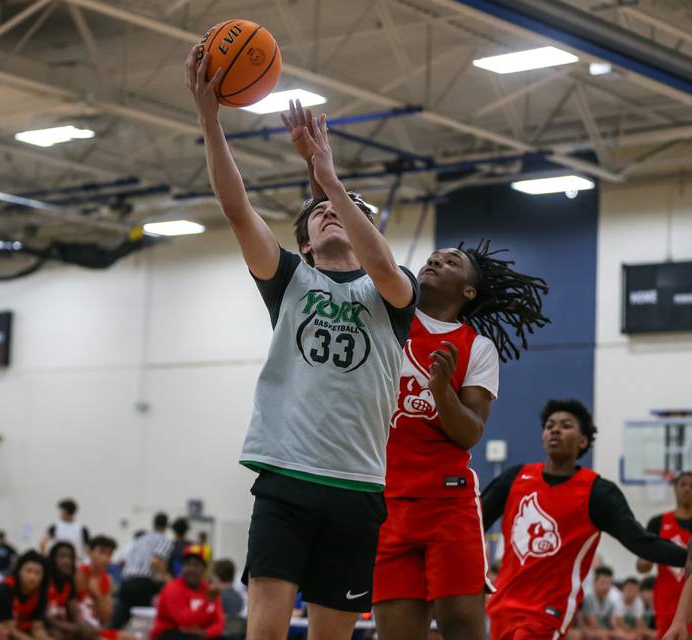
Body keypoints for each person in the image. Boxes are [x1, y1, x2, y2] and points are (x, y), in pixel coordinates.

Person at [186, 45, 418, 640]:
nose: (333, 213)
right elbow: (236, 210)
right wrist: (211, 121)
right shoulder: (291, 279)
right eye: (319, 213)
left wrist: (331, 181)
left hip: (359, 485)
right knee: (263, 630)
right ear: (308, 243)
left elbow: (384, 267)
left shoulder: (393, 290)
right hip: (287, 478)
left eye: (350, 211)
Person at [373, 237, 548, 640]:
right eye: (433, 258)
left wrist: (441, 391)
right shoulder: (388, 319)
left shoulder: (478, 347)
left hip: (446, 503)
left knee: (463, 629)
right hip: (385, 501)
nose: (435, 260)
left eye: (451, 262)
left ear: (469, 290)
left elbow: (470, 432)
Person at [482, 399, 687, 640]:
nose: (555, 429)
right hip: (502, 606)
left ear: (583, 441)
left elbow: (640, 541)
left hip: (547, 612)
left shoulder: (598, 493)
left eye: (566, 425)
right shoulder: (514, 478)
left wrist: (685, 556)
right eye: (550, 425)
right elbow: (473, 522)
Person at [636, 472, 692, 638]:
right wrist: (647, 559)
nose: (687, 489)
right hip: (666, 601)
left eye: (691, 485)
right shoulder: (658, 522)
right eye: (683, 484)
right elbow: (641, 566)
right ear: (675, 489)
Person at [110, 513, 172, 629]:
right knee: (142, 622)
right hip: (142, 583)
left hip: (126, 582)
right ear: (167, 526)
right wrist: (167, 577)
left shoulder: (141, 538)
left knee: (119, 620)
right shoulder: (164, 540)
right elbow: (155, 561)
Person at [149, 546, 224, 640]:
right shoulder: (172, 588)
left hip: (198, 635)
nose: (191, 569)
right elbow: (186, 622)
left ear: (204, 569)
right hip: (170, 634)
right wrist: (207, 600)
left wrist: (205, 633)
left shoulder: (209, 590)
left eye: (196, 565)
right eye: (187, 564)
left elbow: (219, 624)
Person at [0, 550, 49, 640]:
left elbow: (37, 629)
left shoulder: (41, 594)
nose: (33, 577)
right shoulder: (3, 590)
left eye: (37, 573)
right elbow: (9, 629)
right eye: (29, 571)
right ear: (19, 571)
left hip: (20, 631)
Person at [76, 536, 117, 629]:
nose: (105, 558)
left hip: (97, 627)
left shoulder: (108, 579)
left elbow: (106, 617)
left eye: (109, 554)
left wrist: (97, 595)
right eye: (101, 552)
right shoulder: (79, 573)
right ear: (89, 552)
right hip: (79, 626)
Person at [45, 542, 84, 639]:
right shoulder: (44, 580)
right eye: (62, 557)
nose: (67, 561)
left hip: (61, 625)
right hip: (44, 626)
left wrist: (83, 625)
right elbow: (44, 618)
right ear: (52, 559)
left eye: (70, 557)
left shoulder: (69, 582)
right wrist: (73, 628)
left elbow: (75, 614)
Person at [580, 566, 622, 638]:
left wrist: (619, 632)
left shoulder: (610, 602)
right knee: (601, 635)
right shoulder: (588, 598)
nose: (606, 587)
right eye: (603, 582)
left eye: (609, 583)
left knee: (621, 635)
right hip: (587, 630)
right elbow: (593, 625)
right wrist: (610, 633)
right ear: (594, 583)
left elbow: (612, 622)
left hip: (602, 630)